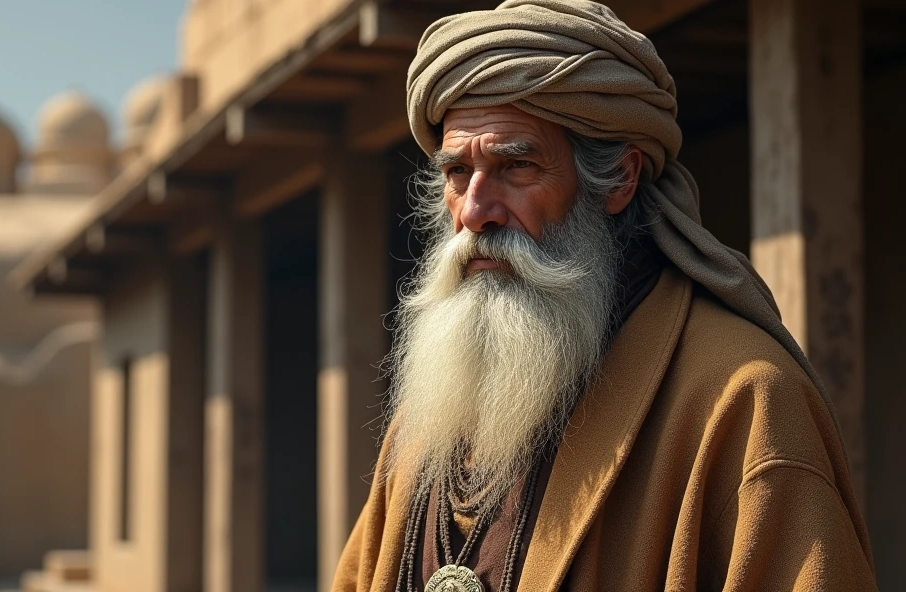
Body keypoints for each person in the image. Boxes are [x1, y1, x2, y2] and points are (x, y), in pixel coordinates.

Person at [332, 1, 877, 590]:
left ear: (619, 179)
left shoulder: (742, 404)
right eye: (457, 173)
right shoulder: (435, 409)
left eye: (516, 167)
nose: (475, 211)